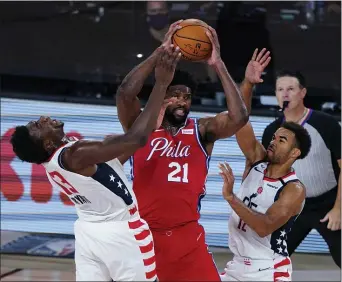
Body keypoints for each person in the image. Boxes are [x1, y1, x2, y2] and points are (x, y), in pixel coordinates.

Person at [10, 46, 182, 281]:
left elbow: (119, 153)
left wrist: (157, 56)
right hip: (122, 234)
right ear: (48, 144)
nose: (42, 119)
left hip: (88, 232)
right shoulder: (76, 153)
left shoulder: (58, 161)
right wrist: (161, 84)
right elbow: (136, 138)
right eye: (39, 127)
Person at [116, 22, 269, 280]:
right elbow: (124, 94)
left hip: (187, 237)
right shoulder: (140, 127)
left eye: (187, 98)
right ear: (163, 94)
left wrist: (218, 64)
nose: (182, 102)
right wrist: (158, 53)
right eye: (175, 95)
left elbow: (239, 117)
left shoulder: (202, 130)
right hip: (142, 235)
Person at [219, 50, 312, 281]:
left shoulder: (294, 189)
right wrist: (248, 83)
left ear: (295, 153)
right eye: (274, 137)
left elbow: (264, 226)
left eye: (282, 140)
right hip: (237, 264)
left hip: (268, 270)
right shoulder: (256, 162)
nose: (273, 142)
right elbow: (239, 119)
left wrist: (231, 198)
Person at [261, 70, 341, 267]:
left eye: (291, 89)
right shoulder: (271, 131)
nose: (285, 94)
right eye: (280, 89)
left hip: (328, 203)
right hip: (293, 206)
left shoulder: (325, 123)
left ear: (302, 93)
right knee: (268, 261)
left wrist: (339, 209)